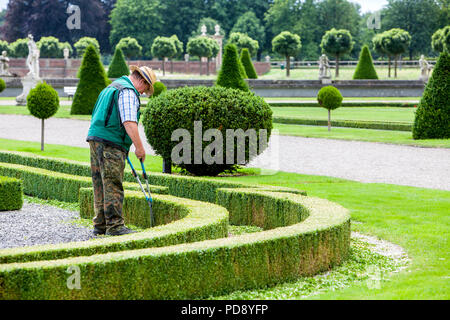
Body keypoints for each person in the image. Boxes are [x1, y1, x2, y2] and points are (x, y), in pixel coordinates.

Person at [86, 66, 158, 236]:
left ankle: (100, 224)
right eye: (145, 89)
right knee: (112, 183)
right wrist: (139, 148)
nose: (142, 93)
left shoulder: (111, 87)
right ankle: (115, 226)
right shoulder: (128, 91)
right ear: (142, 81)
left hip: (96, 139)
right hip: (111, 143)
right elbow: (129, 121)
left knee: (99, 183)